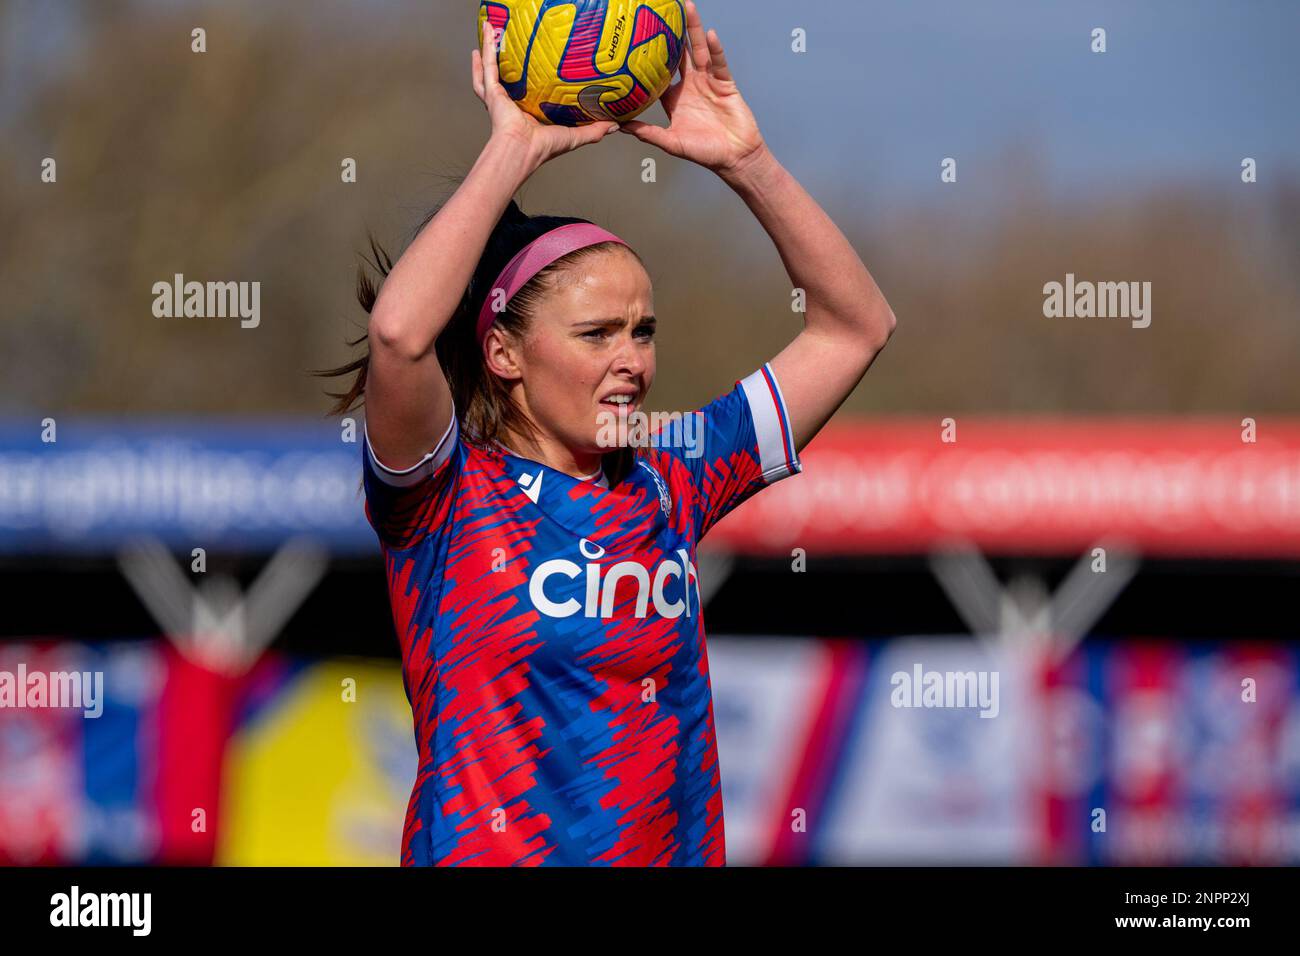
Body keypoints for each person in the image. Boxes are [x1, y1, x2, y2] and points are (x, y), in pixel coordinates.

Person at [323, 0, 895, 865]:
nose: (631, 360)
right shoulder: (442, 500)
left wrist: (748, 162)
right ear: (505, 351)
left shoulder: (675, 473)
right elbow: (401, 334)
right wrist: (511, 146)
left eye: (644, 331)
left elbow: (855, 326)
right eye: (597, 335)